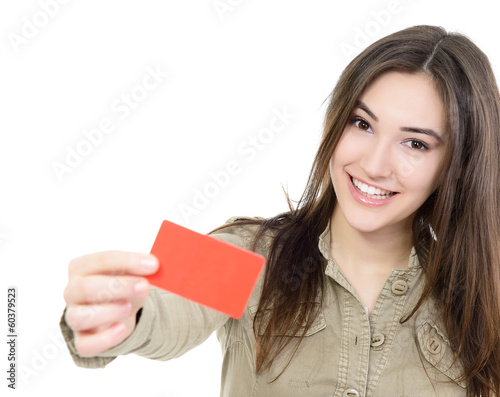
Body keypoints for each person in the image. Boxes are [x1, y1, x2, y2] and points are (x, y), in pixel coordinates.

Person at [60, 25, 500, 396]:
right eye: (362, 124)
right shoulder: (248, 250)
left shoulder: (481, 297)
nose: (373, 164)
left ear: (456, 166)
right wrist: (119, 315)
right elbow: (167, 307)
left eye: (415, 143)